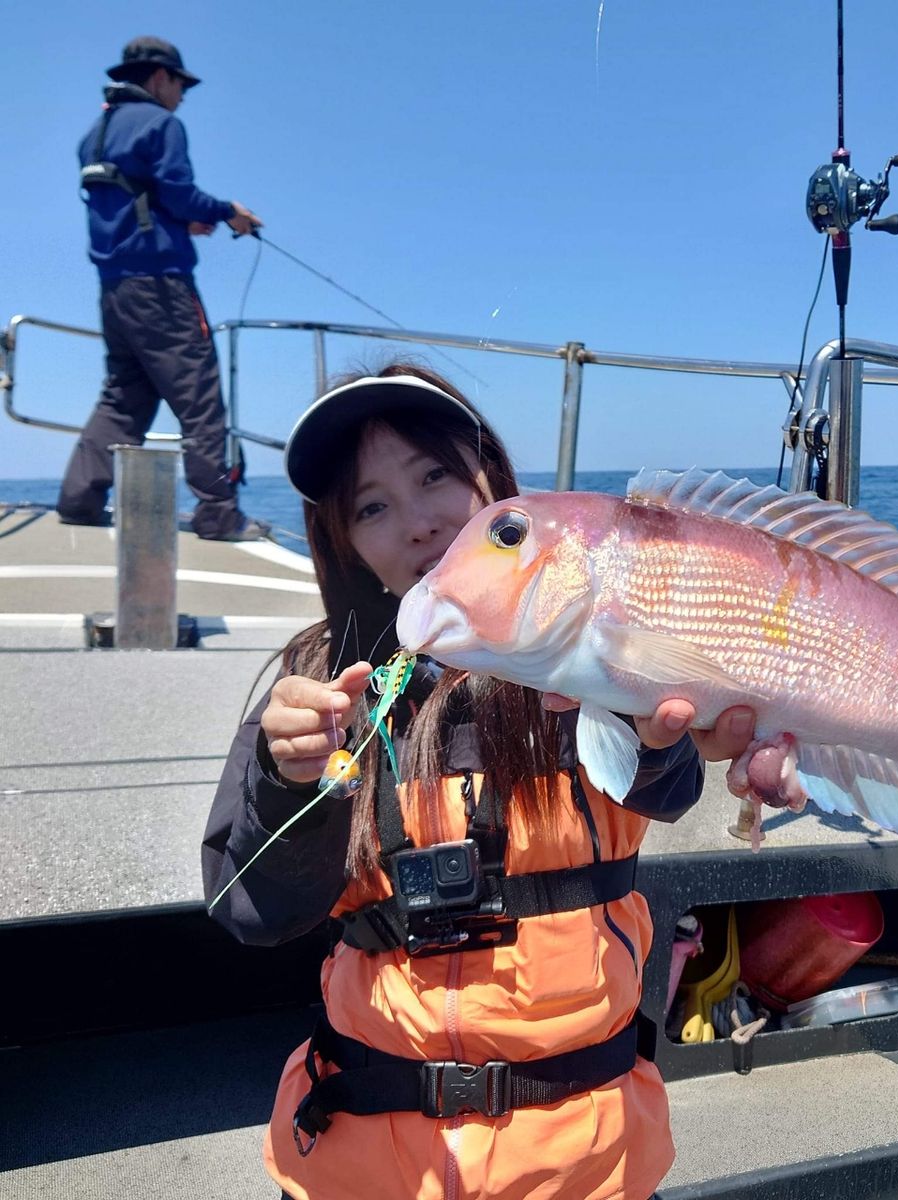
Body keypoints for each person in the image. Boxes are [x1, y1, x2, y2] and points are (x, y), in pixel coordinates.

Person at [202, 363, 758, 1200]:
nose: (418, 523)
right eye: (372, 507)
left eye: (435, 477)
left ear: (493, 483)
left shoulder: (575, 654)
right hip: (359, 1160)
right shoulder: (317, 683)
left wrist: (659, 725)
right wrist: (289, 779)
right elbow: (251, 907)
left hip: (577, 1160)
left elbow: (665, 786)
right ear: (344, 541)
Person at [57, 36, 268, 540]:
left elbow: (136, 199)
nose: (183, 96)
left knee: (124, 397)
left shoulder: (96, 133)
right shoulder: (162, 124)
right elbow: (177, 191)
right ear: (158, 78)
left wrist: (180, 222)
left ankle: (77, 500)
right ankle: (218, 513)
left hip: (114, 290)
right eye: (180, 84)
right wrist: (226, 214)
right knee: (199, 396)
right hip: (161, 287)